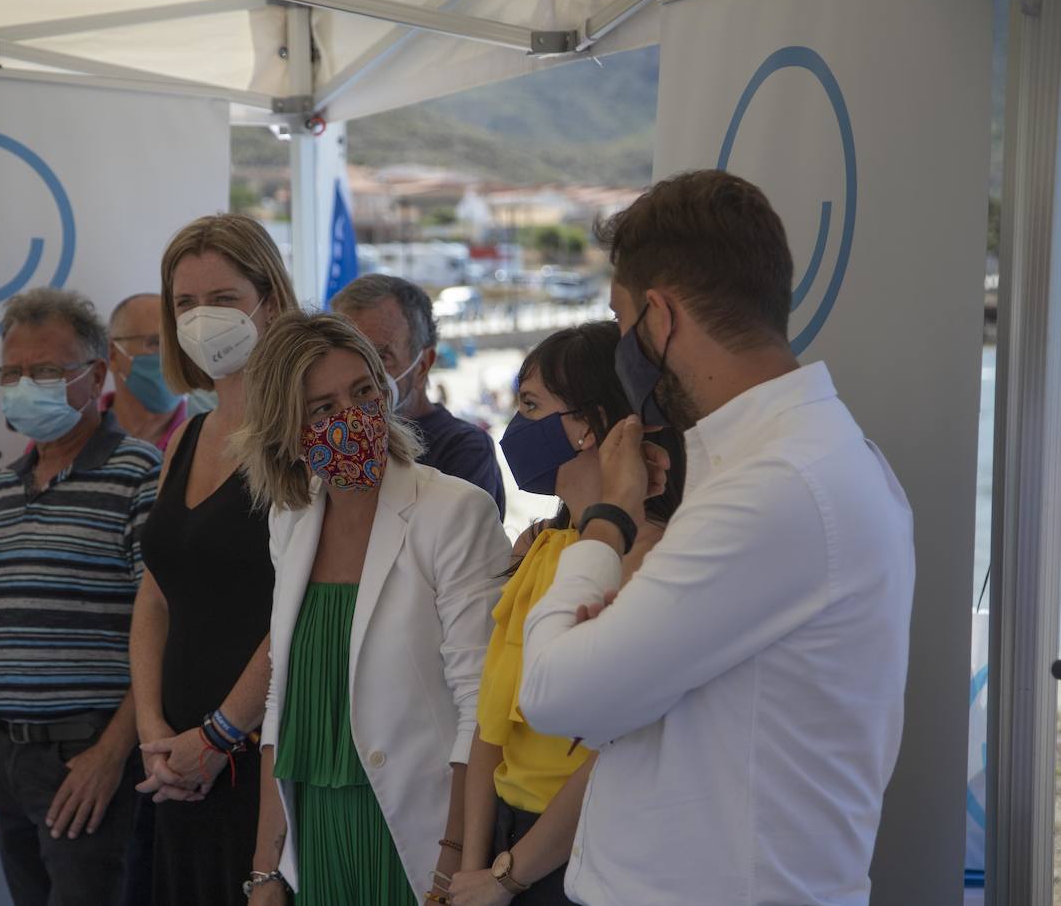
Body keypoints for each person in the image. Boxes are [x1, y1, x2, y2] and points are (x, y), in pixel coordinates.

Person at [518, 169, 915, 905]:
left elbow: (553, 693)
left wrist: (606, 523)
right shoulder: (798, 459)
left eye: (623, 319)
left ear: (659, 319)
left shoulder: (774, 488)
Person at [241, 312, 511, 906]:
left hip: (415, 835)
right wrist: (265, 869)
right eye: (322, 408)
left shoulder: (453, 511)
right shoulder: (290, 517)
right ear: (288, 428)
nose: (352, 418)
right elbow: (279, 702)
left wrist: (454, 862)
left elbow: (481, 705)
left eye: (363, 391)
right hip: (314, 836)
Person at [451, 321, 685, 906]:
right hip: (506, 845)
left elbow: (614, 757)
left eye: (531, 405)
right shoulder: (535, 544)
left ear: (585, 425)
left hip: (581, 852)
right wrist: (473, 865)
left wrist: (508, 876)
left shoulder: (652, 558)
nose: (515, 426)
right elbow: (489, 728)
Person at [0, 287, 161, 906]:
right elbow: (6, 629)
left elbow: (161, 631)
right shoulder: (4, 487)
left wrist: (110, 753)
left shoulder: (139, 474)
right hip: (9, 758)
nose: (25, 385)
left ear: (95, 374)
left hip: (90, 757)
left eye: (46, 371)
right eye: (12, 372)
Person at [129, 214, 299, 906]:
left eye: (223, 299)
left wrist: (220, 734)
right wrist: (152, 732)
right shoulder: (188, 435)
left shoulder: (300, 434)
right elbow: (155, 598)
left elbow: (304, 606)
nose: (202, 318)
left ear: (271, 301)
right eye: (185, 303)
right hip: (172, 764)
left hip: (261, 758)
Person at [332, 275, 506, 520]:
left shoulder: (463, 450)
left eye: (380, 357)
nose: (359, 372)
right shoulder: (329, 436)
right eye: (348, 354)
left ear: (423, 365)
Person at [104, 293, 192, 451]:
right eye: (155, 343)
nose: (171, 356)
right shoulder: (76, 434)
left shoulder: (210, 440)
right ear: (112, 354)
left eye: (180, 343)